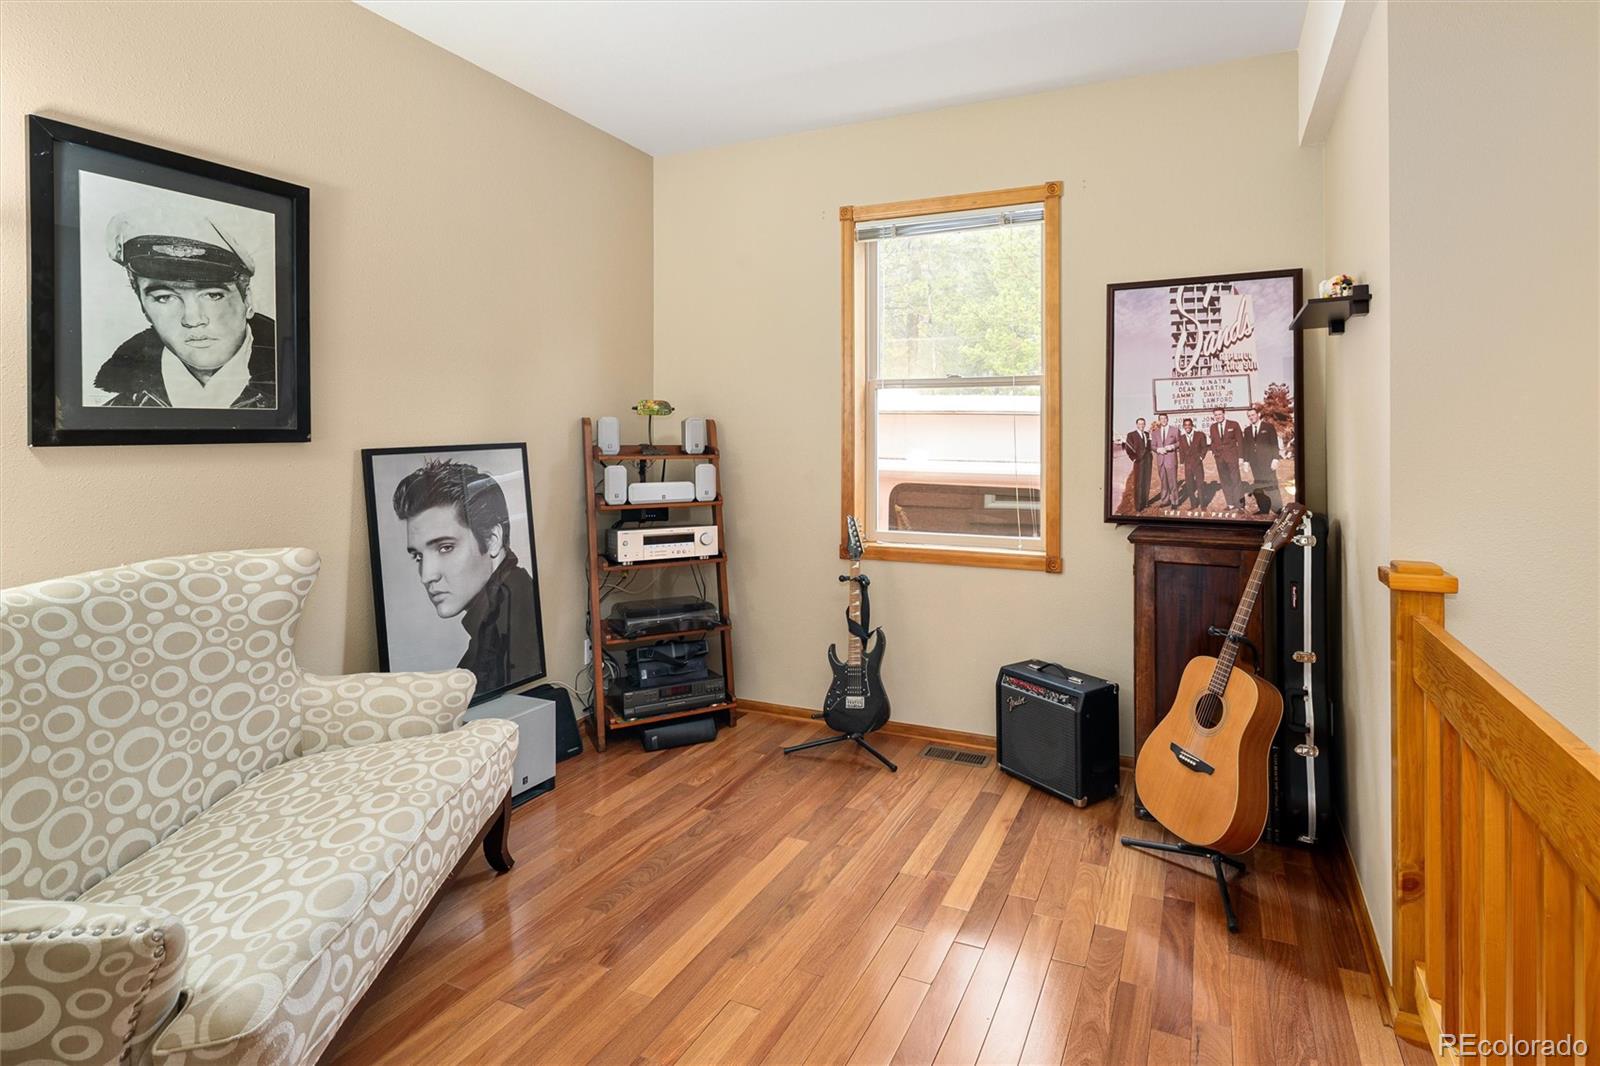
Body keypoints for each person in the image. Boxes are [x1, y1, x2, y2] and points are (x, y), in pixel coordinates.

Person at [94, 207, 277, 408]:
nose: (192, 319)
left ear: (248, 301)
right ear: (143, 306)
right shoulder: (120, 410)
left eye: (213, 295)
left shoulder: (298, 391)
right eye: (165, 298)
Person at [392, 459, 541, 694]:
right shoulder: (502, 612)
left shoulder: (512, 625)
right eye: (418, 556)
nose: (427, 576)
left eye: (445, 547)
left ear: (492, 539)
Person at [1243, 405, 1282, 514]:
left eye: (1253, 415)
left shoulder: (1268, 427)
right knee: (1259, 486)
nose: (1251, 417)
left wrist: (1275, 459)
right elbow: (1246, 446)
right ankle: (1263, 509)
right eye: (1249, 416)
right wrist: (1246, 461)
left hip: (1268, 462)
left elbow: (1274, 443)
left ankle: (1278, 509)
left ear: (1258, 415)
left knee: (1271, 485)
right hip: (1255, 464)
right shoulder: (1247, 430)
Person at [1208, 406, 1246, 511]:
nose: (1218, 417)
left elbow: (1240, 441)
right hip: (1220, 459)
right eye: (1216, 415)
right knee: (1225, 481)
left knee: (1236, 480)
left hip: (1232, 457)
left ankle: (1240, 505)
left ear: (1224, 414)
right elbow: (1213, 442)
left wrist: (1241, 457)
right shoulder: (1213, 427)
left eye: (1220, 414)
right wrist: (1215, 452)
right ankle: (1230, 504)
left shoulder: (1233, 424)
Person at [1121, 417, 1154, 512]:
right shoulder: (1131, 435)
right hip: (1138, 462)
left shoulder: (1147, 434)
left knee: (1146, 482)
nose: (1142, 425)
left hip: (1147, 461)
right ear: (1137, 425)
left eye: (1143, 424)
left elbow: (1149, 447)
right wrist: (1134, 458)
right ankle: (1138, 506)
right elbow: (1128, 449)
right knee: (1138, 483)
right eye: (1140, 424)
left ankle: (1145, 502)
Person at [1176, 416, 1208, 509]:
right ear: (1183, 426)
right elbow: (1181, 451)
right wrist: (1182, 464)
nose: (1187, 427)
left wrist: (1201, 457)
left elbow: (1204, 447)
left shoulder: (1200, 435)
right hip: (1187, 465)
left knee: (1200, 484)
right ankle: (1193, 504)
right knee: (1189, 485)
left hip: (1197, 463)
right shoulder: (1181, 438)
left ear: (1192, 425)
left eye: (1189, 425)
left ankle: (1203, 505)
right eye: (1185, 425)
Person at [1151, 413, 1180, 506]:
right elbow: (1152, 446)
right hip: (1160, 461)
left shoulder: (1175, 430)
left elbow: (1180, 442)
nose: (1163, 420)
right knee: (1163, 482)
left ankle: (1175, 502)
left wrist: (1172, 446)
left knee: (1173, 482)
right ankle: (1165, 500)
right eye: (1161, 418)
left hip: (1171, 460)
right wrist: (1157, 449)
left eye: (1165, 418)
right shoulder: (1155, 432)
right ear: (1159, 420)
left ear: (1167, 419)